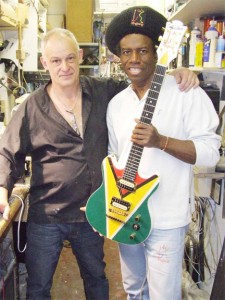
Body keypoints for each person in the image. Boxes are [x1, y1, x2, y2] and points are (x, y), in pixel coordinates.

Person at [0, 27, 198, 300]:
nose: (64, 67)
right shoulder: (31, 107)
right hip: (47, 214)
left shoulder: (105, 91)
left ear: (80, 56)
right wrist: (2, 188)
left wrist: (177, 73)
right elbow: (8, 152)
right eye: (55, 61)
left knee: (96, 280)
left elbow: (141, 79)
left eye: (70, 58)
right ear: (45, 63)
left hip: (92, 211)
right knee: (38, 287)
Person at [105, 6, 221, 300]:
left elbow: (210, 152)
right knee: (134, 290)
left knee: (163, 296)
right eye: (126, 52)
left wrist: (162, 142)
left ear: (157, 52)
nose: (134, 59)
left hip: (166, 219)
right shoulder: (116, 104)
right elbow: (114, 159)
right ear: (119, 57)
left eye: (142, 51)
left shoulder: (186, 92)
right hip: (126, 214)